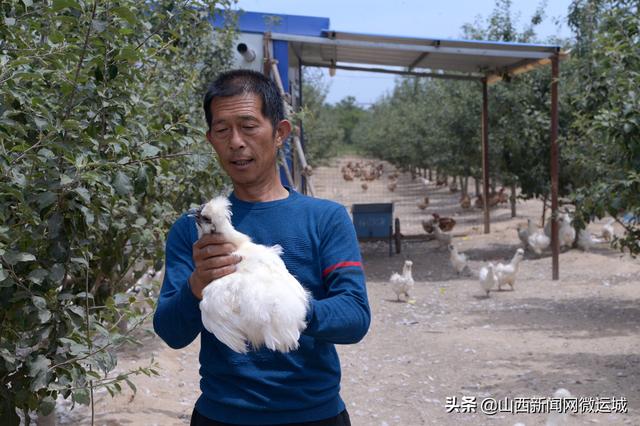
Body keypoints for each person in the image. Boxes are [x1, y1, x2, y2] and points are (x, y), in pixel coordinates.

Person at [153, 69, 371, 426]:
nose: (236, 141)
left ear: (280, 133)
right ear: (211, 140)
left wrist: (286, 308)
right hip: (222, 415)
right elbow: (171, 333)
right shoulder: (194, 231)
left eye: (249, 126)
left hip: (314, 415)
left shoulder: (326, 219)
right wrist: (197, 285)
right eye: (222, 130)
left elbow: (355, 318)